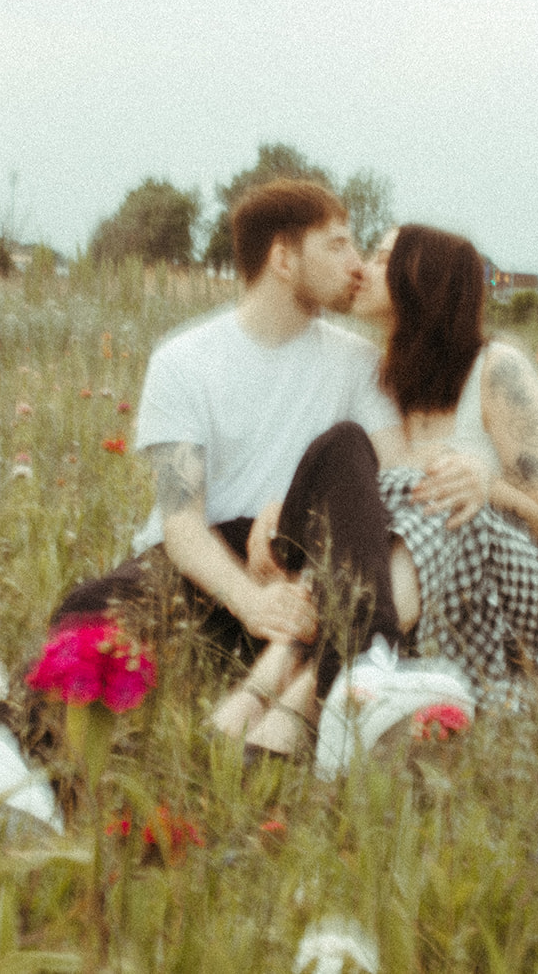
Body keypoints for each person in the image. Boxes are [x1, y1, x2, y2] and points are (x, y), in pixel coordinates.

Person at [45, 179, 419, 760]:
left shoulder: (357, 363)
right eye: (339, 245)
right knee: (81, 618)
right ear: (283, 258)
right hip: (209, 567)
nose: (356, 265)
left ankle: (349, 680)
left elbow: (397, 484)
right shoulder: (183, 362)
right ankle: (8, 743)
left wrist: (292, 541)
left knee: (346, 446)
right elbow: (182, 523)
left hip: (301, 562)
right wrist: (249, 601)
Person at [238, 223, 538, 724]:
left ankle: (287, 697)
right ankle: (310, 695)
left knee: (440, 498)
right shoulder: (381, 378)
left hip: (535, 591)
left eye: (384, 258)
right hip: (432, 583)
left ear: (420, 279)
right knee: (385, 507)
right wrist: (281, 505)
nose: (363, 267)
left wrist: (485, 487)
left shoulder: (497, 369)